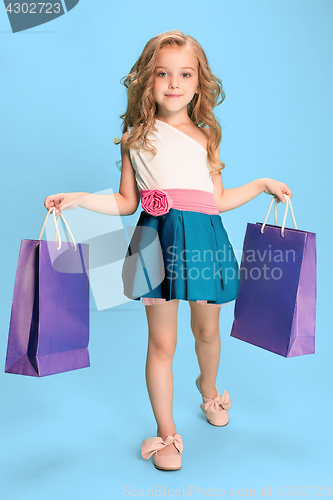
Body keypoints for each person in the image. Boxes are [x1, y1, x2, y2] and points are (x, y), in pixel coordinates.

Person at [44, 30, 293, 471]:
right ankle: (166, 434)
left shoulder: (207, 135)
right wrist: (80, 198)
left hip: (203, 239)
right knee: (161, 342)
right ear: (147, 80)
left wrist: (259, 186)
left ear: (199, 83)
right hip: (152, 240)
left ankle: (209, 389)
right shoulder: (134, 137)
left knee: (207, 332)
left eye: (184, 74)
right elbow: (125, 203)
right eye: (163, 73)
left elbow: (214, 200)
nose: (173, 83)